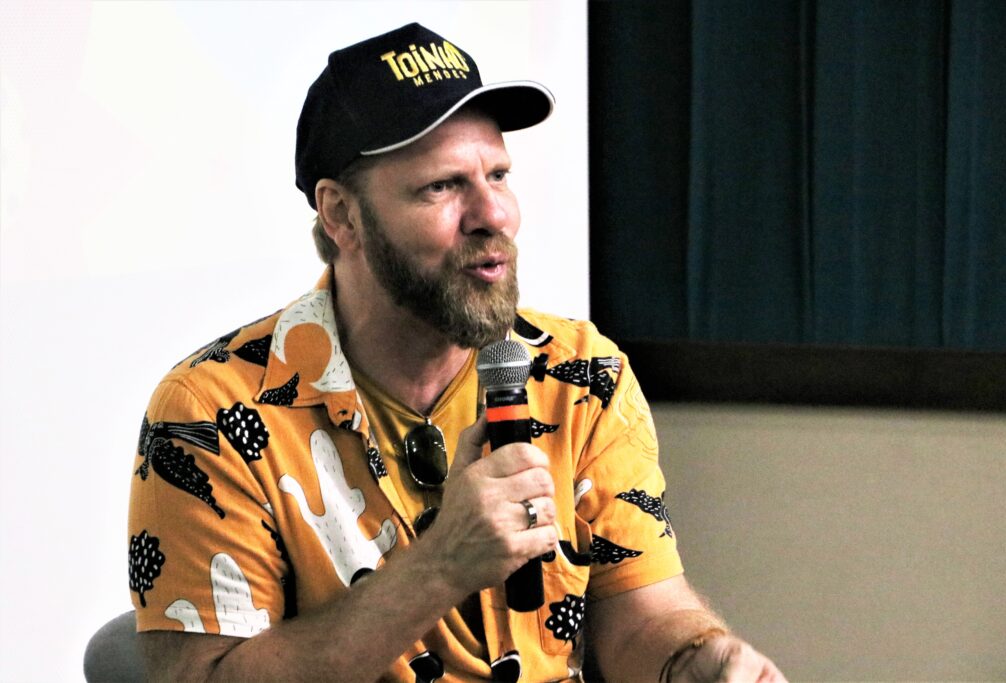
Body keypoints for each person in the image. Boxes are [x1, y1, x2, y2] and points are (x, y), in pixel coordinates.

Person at [127, 22, 786, 682]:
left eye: (498, 174)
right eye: (442, 185)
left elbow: (640, 615)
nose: (493, 214)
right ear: (342, 216)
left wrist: (693, 659)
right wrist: (440, 565)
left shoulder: (581, 374)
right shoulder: (213, 410)